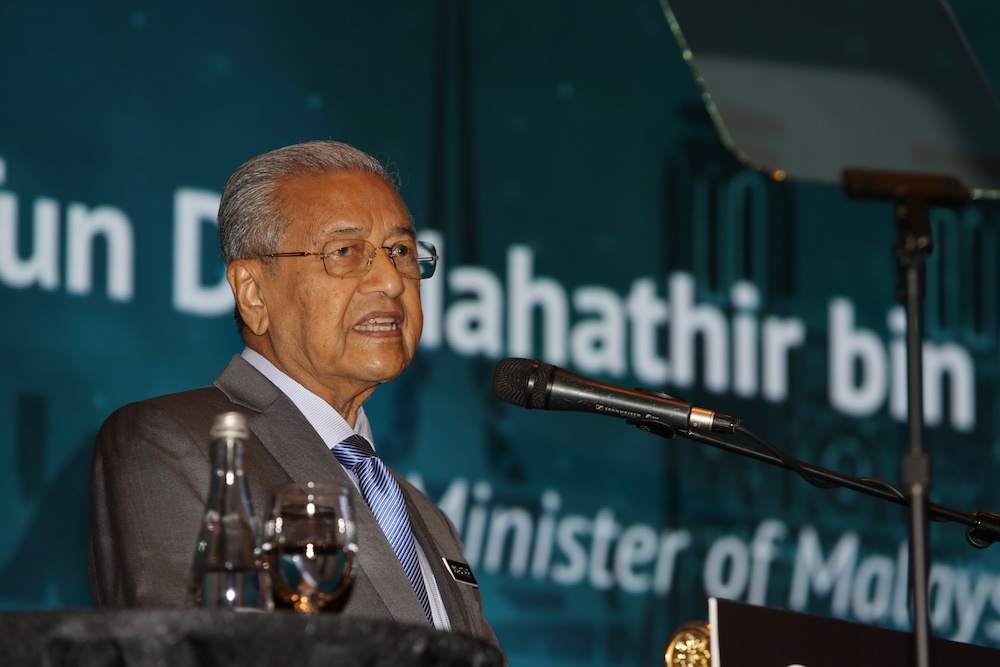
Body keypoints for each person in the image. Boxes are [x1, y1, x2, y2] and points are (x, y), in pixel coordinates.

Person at [88, 140, 500, 649]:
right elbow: (186, 654)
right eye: (346, 252)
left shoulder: (427, 518)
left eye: (400, 251)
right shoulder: (172, 442)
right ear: (254, 293)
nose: (392, 281)